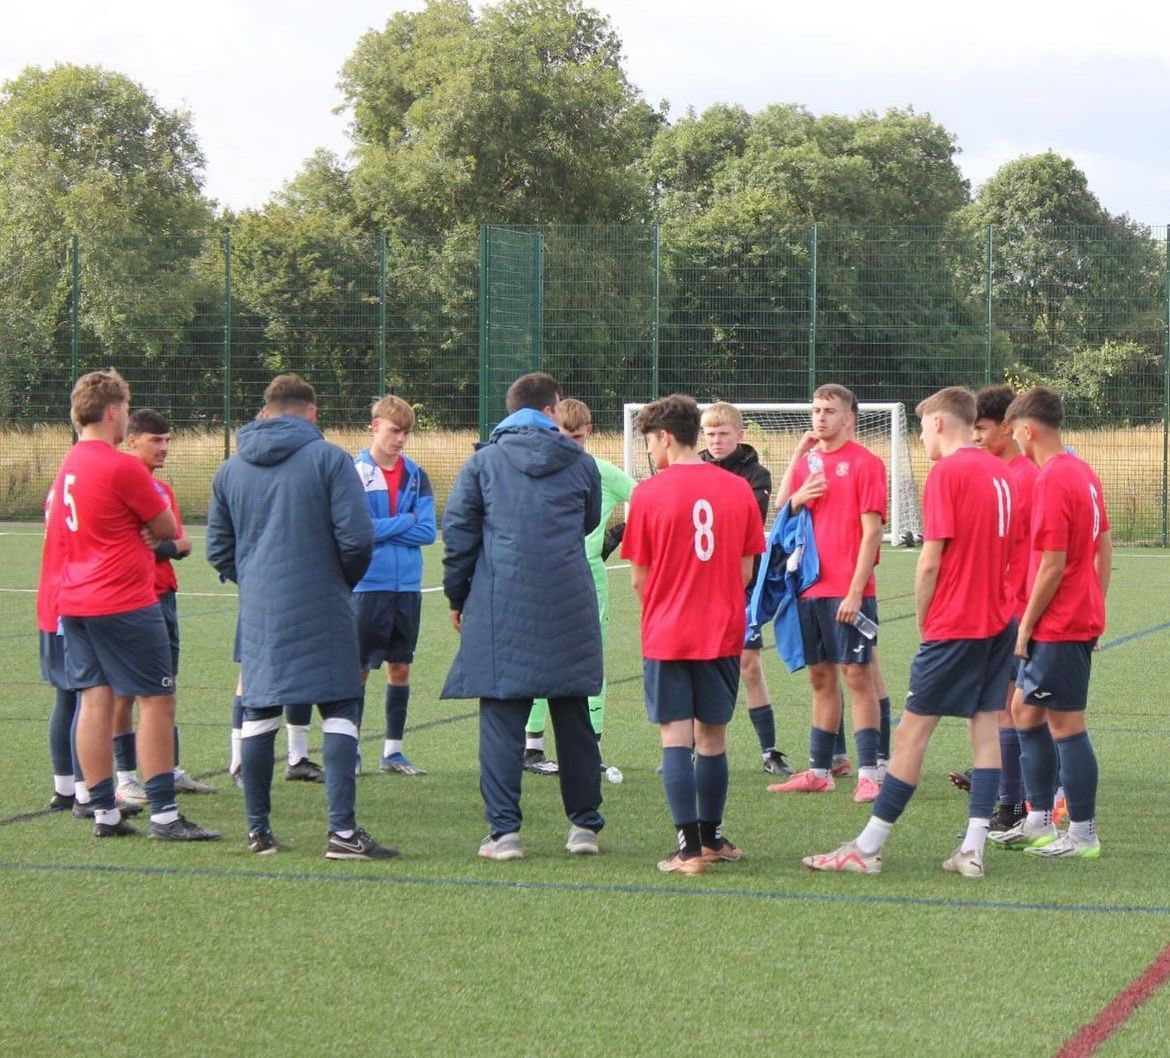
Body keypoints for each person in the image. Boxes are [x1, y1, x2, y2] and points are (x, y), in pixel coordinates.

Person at [803, 386, 1016, 877]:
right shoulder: (1001, 471)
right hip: (998, 618)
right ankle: (973, 849)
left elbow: (930, 561)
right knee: (985, 727)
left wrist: (926, 620)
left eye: (922, 427)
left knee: (910, 733)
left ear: (939, 422)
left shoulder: (949, 472)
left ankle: (867, 847)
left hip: (957, 621)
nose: (921, 437)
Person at [207, 373, 395, 859]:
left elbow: (218, 549)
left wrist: (256, 581)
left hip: (262, 609)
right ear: (311, 412)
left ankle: (259, 833)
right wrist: (339, 580)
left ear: (266, 410)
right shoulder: (330, 459)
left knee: (259, 710)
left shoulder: (230, 469)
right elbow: (357, 539)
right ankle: (342, 834)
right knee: (340, 707)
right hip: (324, 601)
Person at [48, 369, 218, 841]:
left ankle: (103, 811)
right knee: (157, 700)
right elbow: (166, 528)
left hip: (75, 600)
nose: (126, 416)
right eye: (125, 408)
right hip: (122, 598)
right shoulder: (119, 466)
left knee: (94, 700)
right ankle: (164, 815)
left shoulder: (69, 462)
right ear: (113, 411)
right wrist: (147, 528)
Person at [441, 372, 605, 861]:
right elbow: (588, 521)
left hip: (501, 601)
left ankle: (504, 833)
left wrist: (457, 597)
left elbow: (459, 536)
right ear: (552, 409)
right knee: (573, 714)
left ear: (512, 409)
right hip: (568, 600)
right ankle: (584, 827)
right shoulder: (581, 463)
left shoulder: (483, 463)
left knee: (501, 716)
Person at [622, 394, 764, 874]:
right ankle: (711, 838)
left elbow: (639, 579)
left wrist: (667, 607)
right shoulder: (738, 489)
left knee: (675, 738)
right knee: (713, 739)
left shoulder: (647, 494)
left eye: (650, 442)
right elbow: (746, 571)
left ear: (665, 437)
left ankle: (686, 851)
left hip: (668, 632)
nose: (649, 451)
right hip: (721, 629)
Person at [988, 386, 1111, 859]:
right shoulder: (1082, 471)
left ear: (1026, 430)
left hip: (1058, 621)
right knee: (1024, 710)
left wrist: (1026, 626)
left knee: (1066, 725)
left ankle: (1082, 834)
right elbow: (1101, 547)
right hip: (1070, 616)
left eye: (1013, 430)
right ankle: (1038, 819)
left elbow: (1053, 565)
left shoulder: (1053, 478)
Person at [769, 383, 888, 801]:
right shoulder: (809, 462)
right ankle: (819, 770)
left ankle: (870, 772)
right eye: (816, 409)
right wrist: (797, 484)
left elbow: (872, 533)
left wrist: (855, 592)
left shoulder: (866, 463)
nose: (820, 417)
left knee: (857, 675)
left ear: (849, 418)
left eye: (829, 410)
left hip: (849, 590)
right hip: (809, 588)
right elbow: (782, 509)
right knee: (820, 677)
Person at [108, 409, 218, 801]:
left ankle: (168, 770)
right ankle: (125, 778)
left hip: (165, 595)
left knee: (165, 687)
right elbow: (132, 544)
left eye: (168, 440)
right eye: (156, 440)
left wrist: (164, 544)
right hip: (132, 599)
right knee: (124, 692)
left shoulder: (163, 490)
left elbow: (180, 544)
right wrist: (162, 544)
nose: (164, 447)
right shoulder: (120, 481)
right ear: (132, 440)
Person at [946, 384, 1041, 831]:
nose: (977, 437)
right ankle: (1009, 790)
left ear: (1007, 427)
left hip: (1018, 608)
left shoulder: (1024, 477)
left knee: (1016, 707)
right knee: (1005, 706)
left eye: (982, 429)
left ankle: (1015, 803)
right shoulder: (997, 473)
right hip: (1000, 605)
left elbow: (1039, 551)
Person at [523, 398, 635, 774]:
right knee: (539, 658)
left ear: (589, 433)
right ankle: (532, 748)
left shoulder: (601, 471)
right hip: (544, 578)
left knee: (590, 662)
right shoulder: (537, 470)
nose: (571, 445)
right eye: (563, 437)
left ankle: (592, 750)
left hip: (589, 580)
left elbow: (648, 501)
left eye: (577, 438)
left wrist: (616, 534)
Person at [700, 402, 792, 777]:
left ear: (739, 434)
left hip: (742, 583)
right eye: (710, 434)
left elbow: (747, 517)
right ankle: (687, 749)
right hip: (700, 583)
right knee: (697, 666)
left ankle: (769, 751)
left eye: (723, 434)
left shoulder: (757, 474)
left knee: (749, 665)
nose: (716, 441)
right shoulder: (695, 467)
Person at [352, 394, 437, 775]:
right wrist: (405, 521)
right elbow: (359, 531)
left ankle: (393, 752)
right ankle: (350, 750)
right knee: (359, 668)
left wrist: (391, 528)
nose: (400, 439)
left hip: (408, 586)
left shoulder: (416, 475)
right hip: (368, 584)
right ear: (374, 426)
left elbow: (428, 531)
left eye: (406, 433)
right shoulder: (354, 472)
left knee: (400, 667)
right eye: (394, 430)